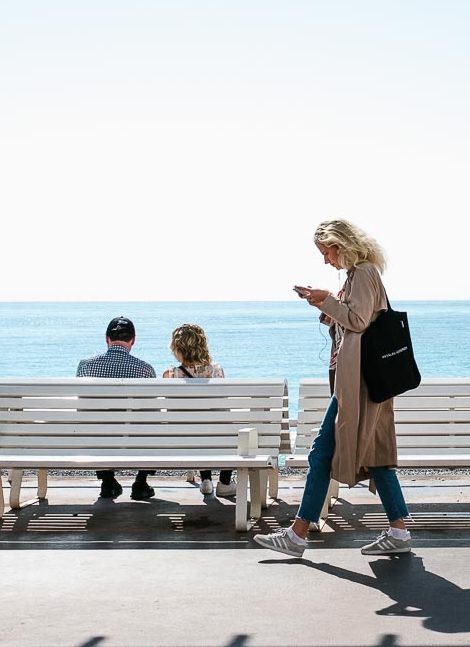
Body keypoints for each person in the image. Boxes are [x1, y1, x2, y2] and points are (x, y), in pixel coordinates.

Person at [255, 219, 411, 558]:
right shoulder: (357, 275)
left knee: (324, 452)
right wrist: (325, 305)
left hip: (361, 385)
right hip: (363, 384)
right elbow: (357, 319)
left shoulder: (365, 271)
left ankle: (297, 536)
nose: (327, 261)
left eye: (327, 253)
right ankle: (397, 530)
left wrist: (328, 301)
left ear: (342, 245)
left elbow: (357, 320)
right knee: (375, 455)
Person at [76, 316, 158, 500]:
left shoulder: (85, 365)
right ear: (133, 340)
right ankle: (140, 483)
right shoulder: (145, 369)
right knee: (150, 425)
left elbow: (83, 406)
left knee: (95, 424)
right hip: (134, 441)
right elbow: (153, 412)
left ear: (107, 339)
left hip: (96, 440)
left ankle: (108, 482)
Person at [163, 323, 235, 498]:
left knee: (196, 427)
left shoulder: (170, 374)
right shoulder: (216, 371)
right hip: (217, 438)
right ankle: (225, 483)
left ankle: (206, 480)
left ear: (177, 349)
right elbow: (221, 407)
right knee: (223, 428)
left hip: (182, 439)